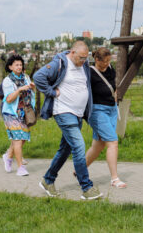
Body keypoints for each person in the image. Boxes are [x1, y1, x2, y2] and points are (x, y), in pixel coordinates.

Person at [34, 40, 101, 200]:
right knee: (79, 146)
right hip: (63, 111)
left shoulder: (83, 65)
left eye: (86, 58)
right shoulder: (60, 63)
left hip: (77, 113)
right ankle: (86, 187)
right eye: (81, 58)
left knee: (66, 149)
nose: (84, 61)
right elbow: (38, 77)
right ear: (72, 52)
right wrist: (51, 92)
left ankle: (48, 180)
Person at [84, 47, 126, 188]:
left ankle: (79, 170)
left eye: (109, 61)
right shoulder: (89, 72)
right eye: (105, 61)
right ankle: (114, 179)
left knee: (98, 145)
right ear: (97, 60)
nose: (107, 64)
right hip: (97, 111)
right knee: (112, 142)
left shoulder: (110, 69)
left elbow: (113, 86)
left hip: (111, 110)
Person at [0, 55, 35, 177]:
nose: (19, 67)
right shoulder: (7, 81)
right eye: (16, 65)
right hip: (11, 113)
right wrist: (20, 90)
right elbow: (9, 99)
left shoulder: (26, 77)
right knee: (18, 139)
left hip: (24, 112)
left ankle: (8, 156)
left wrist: (32, 88)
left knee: (24, 137)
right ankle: (21, 168)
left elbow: (30, 93)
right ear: (10, 67)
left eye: (20, 65)